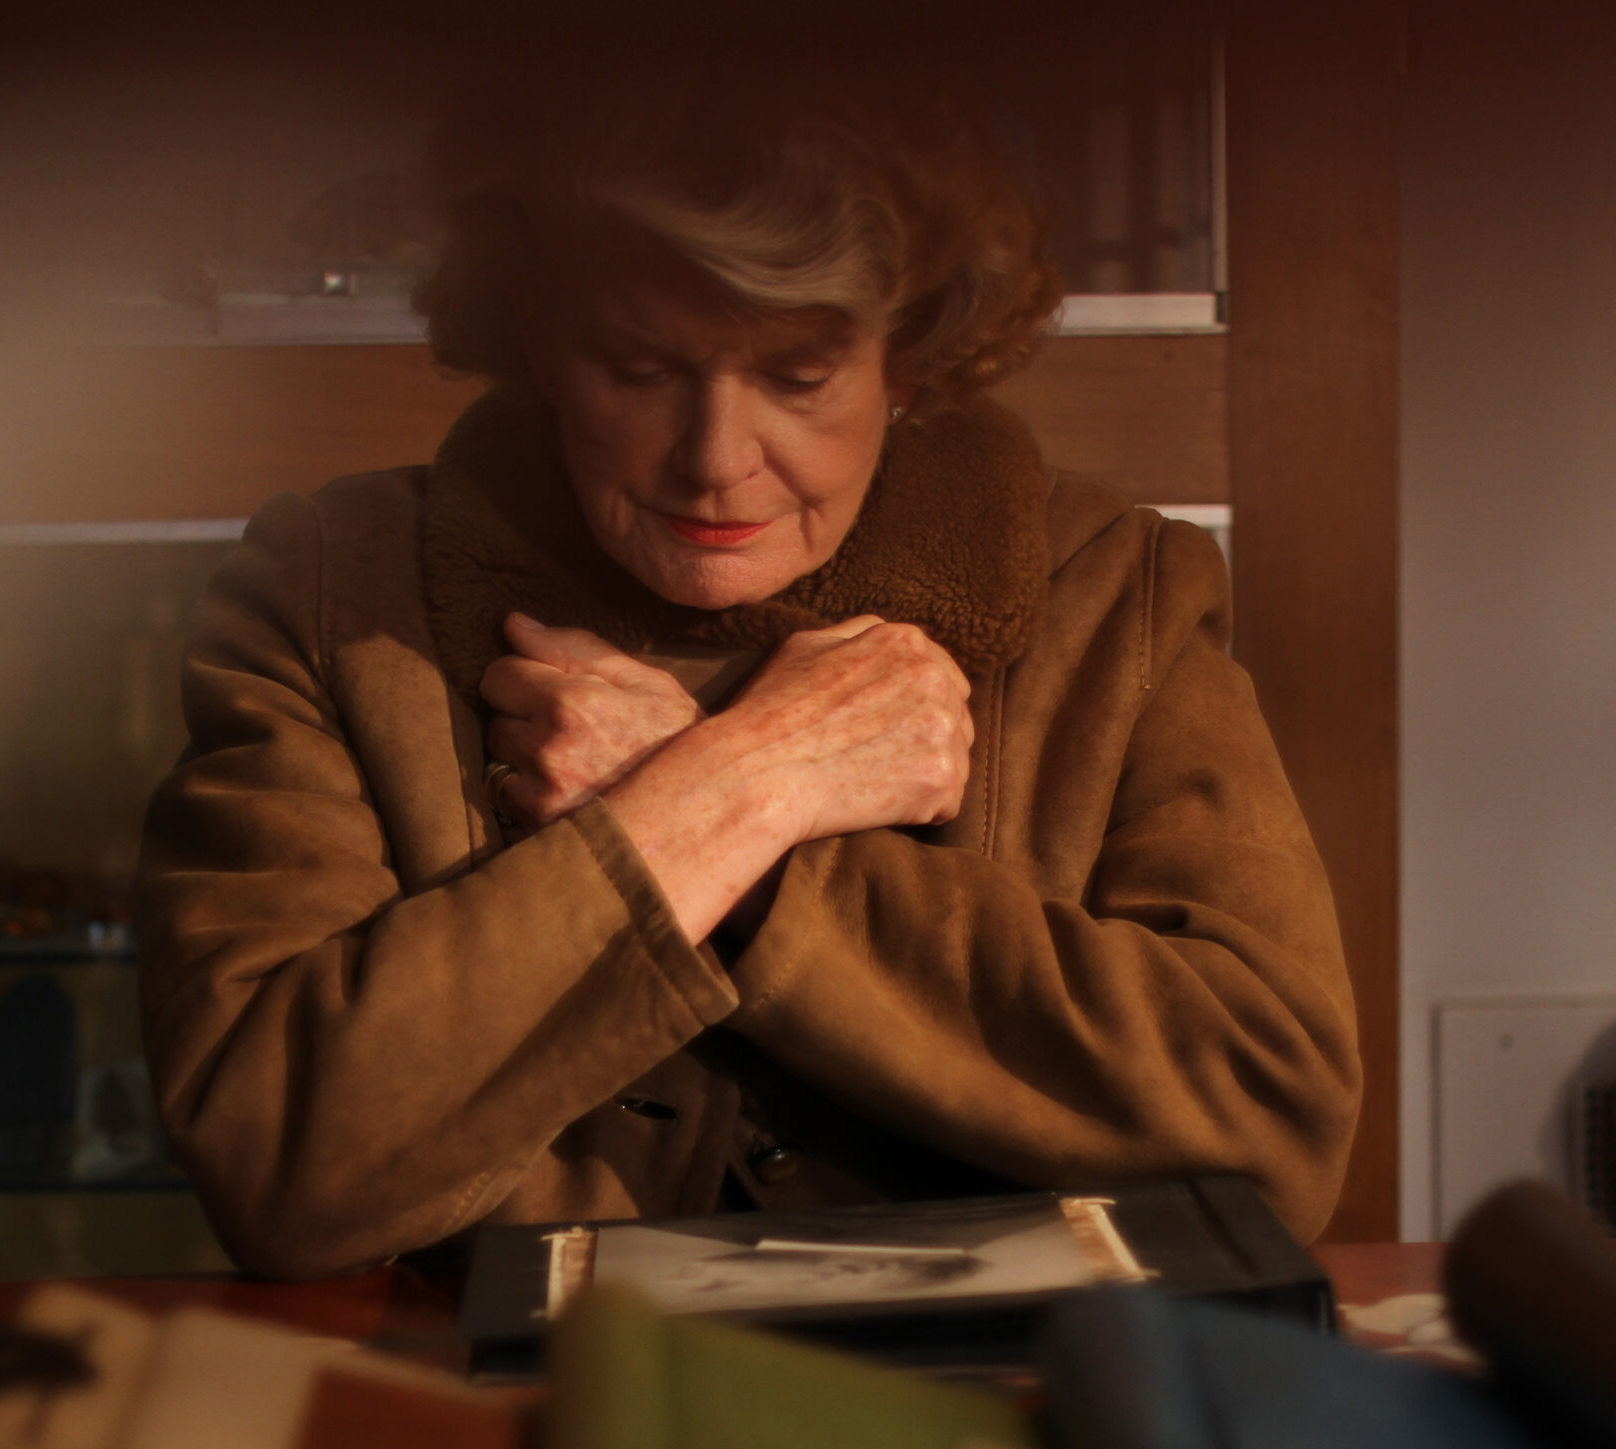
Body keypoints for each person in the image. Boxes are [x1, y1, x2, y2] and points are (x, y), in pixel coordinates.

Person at [134, 57, 1360, 1279]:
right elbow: (268, 1154)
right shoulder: (333, 592)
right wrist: (733, 789)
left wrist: (768, 870)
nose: (715, 460)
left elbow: (1272, 1130)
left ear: (907, 356)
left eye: (797, 376)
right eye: (638, 367)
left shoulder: (1113, 592)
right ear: (541, 342)